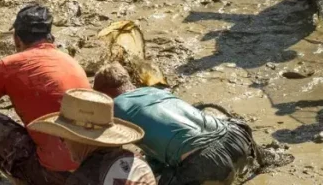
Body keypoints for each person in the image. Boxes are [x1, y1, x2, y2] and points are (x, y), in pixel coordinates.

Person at [0, 4, 91, 184]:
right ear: (50, 37)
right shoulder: (70, 62)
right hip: (92, 171)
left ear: (16, 39)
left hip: (55, 175)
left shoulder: (7, 66)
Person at [93, 62, 258, 185]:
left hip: (207, 164)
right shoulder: (156, 91)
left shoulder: (114, 107)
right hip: (239, 139)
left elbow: (106, 154)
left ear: (104, 94)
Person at [28, 89, 156, 185]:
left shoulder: (82, 179)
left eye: (63, 137)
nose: (63, 144)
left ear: (80, 139)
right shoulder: (137, 161)